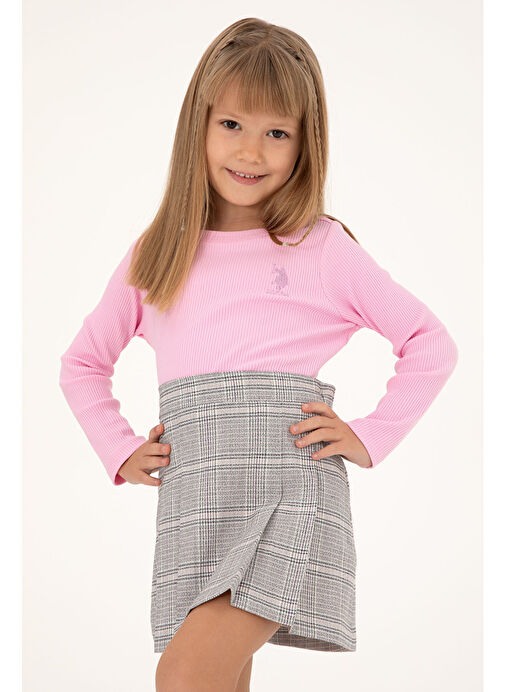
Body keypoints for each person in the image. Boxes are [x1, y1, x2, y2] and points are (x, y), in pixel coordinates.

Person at [58, 17, 459, 692]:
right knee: (219, 678)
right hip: (197, 499)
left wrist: (369, 435)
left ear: (305, 143)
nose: (250, 150)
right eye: (231, 124)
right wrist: (119, 448)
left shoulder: (320, 247)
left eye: (277, 132)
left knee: (184, 675)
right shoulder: (157, 253)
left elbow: (429, 343)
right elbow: (82, 364)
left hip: (288, 492)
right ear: (198, 125)